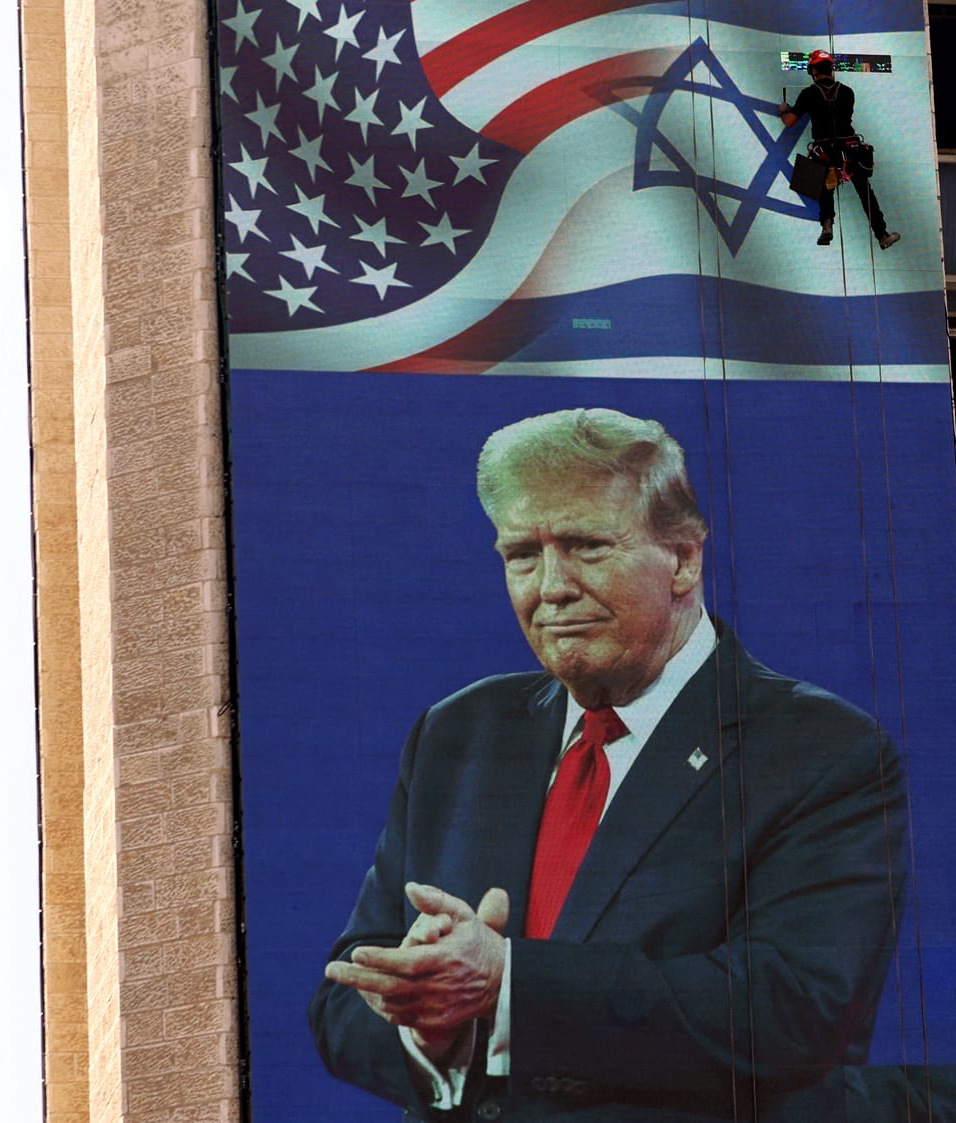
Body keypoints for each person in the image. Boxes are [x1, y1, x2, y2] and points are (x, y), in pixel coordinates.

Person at [310, 408, 905, 1122]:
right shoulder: (458, 732)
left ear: (684, 558)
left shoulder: (819, 748)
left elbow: (796, 1010)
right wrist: (429, 1016)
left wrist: (507, 982)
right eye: (522, 554)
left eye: (586, 546)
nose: (551, 586)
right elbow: (344, 999)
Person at [782, 51, 900, 250]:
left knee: (825, 186)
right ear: (831, 69)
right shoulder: (847, 92)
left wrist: (784, 110)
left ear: (813, 71)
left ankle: (827, 226)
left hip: (824, 151)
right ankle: (882, 235)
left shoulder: (809, 94)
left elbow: (790, 122)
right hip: (849, 150)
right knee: (865, 192)